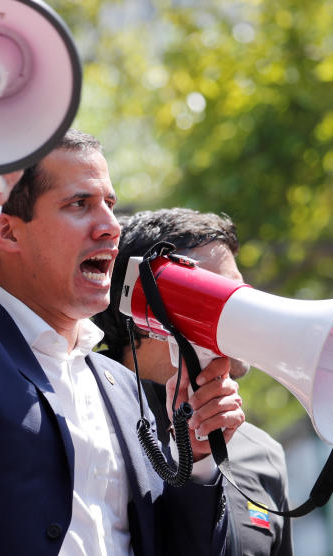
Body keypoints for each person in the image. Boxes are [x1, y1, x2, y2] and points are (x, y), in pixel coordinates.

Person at [0, 130, 245, 555]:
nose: (110, 227)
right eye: (79, 205)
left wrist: (195, 461)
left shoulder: (123, 388)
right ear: (7, 233)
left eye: (109, 205)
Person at [93, 208, 293, 556]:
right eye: (217, 294)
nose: (244, 310)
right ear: (144, 304)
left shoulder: (263, 456)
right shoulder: (82, 420)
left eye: (240, 291)